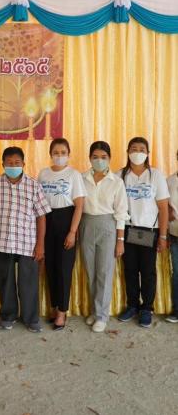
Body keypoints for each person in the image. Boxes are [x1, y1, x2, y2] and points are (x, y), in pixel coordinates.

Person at [0, 147, 50, 333]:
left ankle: (31, 318)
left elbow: (41, 216)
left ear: (24, 164)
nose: (13, 166)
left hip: (27, 242)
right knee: (5, 281)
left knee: (28, 282)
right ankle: (8, 315)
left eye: (17, 163)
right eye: (9, 163)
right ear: (2, 164)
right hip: (3, 241)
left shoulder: (34, 185)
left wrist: (40, 245)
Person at [117, 137, 169, 328]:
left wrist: (163, 236)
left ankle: (147, 308)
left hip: (149, 230)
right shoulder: (120, 175)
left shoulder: (155, 175)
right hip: (127, 229)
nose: (137, 152)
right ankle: (132, 305)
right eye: (133, 149)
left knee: (147, 272)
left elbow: (163, 208)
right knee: (130, 270)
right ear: (127, 152)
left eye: (141, 149)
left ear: (147, 153)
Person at [80, 141, 129, 333]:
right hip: (86, 224)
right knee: (91, 271)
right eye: (95, 157)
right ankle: (95, 310)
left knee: (104, 272)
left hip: (108, 226)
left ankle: (102, 316)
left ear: (109, 158)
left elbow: (121, 212)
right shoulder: (82, 178)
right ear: (89, 158)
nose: (99, 160)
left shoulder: (116, 182)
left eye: (103, 157)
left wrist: (120, 240)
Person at [38, 138, 86, 330]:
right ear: (50, 154)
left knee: (64, 269)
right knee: (51, 267)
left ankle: (62, 311)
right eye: (56, 153)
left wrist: (72, 232)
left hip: (66, 220)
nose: (59, 156)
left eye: (63, 153)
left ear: (68, 154)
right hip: (47, 220)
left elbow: (79, 205)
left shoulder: (74, 175)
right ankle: (54, 306)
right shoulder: (43, 173)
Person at [166, 149, 178, 323]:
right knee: (177, 273)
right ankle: (177, 309)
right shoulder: (169, 181)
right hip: (175, 233)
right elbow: (165, 205)